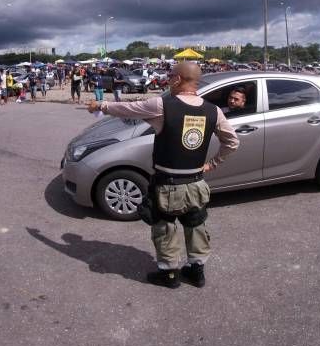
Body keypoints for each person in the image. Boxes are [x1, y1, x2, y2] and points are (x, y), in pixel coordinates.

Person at [88, 62, 239, 288]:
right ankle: (197, 272)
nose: (168, 79)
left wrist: (100, 105)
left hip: (168, 185)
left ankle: (169, 275)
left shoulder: (162, 105)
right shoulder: (213, 110)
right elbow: (233, 142)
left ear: (178, 79)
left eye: (170, 76)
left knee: (165, 228)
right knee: (196, 226)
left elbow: (128, 109)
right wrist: (213, 164)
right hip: (197, 183)